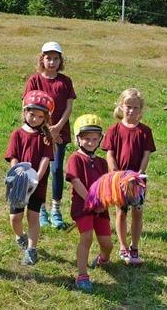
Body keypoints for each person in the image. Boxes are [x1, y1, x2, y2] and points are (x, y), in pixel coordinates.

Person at [24, 41, 76, 229]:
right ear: (42, 59)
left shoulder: (65, 81)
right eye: (48, 58)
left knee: (55, 170)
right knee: (40, 170)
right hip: (38, 133)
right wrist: (47, 130)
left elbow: (69, 106)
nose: (52, 62)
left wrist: (57, 129)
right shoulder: (34, 80)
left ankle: (56, 209)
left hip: (59, 133)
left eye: (56, 58)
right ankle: (41, 209)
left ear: (60, 60)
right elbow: (28, 107)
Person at [102, 88, 156, 265]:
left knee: (137, 212)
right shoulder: (113, 130)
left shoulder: (145, 131)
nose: (131, 110)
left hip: (138, 181)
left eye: (135, 107)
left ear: (140, 110)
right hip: (119, 180)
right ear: (121, 106)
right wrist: (116, 174)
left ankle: (134, 247)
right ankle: (123, 247)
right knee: (121, 212)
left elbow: (146, 154)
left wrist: (139, 173)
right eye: (128, 106)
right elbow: (109, 154)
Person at [5, 90, 54, 265]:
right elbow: (13, 157)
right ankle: (20, 237)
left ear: (45, 119)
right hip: (18, 183)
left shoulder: (45, 137)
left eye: (39, 116)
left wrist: (36, 178)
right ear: (25, 112)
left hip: (36, 185)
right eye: (31, 114)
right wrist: (19, 174)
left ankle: (32, 249)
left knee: (33, 216)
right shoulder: (17, 134)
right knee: (15, 218)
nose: (34, 119)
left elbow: (45, 159)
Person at [65, 114, 113, 292]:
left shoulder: (101, 162)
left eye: (95, 139)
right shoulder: (75, 159)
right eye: (86, 139)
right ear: (78, 138)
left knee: (107, 244)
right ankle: (82, 275)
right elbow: (76, 181)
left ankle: (103, 259)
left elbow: (106, 185)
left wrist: (104, 202)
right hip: (83, 207)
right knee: (86, 238)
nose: (91, 142)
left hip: (101, 209)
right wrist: (91, 200)